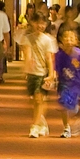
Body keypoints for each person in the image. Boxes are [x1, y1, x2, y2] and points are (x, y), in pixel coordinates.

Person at [22, 9, 55, 138]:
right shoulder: (28, 39)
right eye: (38, 23)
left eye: (43, 23)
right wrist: (27, 65)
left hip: (42, 73)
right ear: (32, 22)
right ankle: (41, 123)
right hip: (32, 74)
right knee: (35, 101)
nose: (40, 26)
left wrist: (51, 74)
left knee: (38, 99)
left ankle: (35, 126)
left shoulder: (48, 40)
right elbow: (27, 54)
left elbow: (49, 58)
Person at [53, 27, 80, 137]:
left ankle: (79, 115)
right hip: (63, 83)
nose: (68, 41)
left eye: (71, 38)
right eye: (66, 38)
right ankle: (66, 127)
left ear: (76, 41)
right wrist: (54, 78)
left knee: (73, 107)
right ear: (61, 40)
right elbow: (57, 68)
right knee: (64, 105)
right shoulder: (59, 55)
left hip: (76, 85)